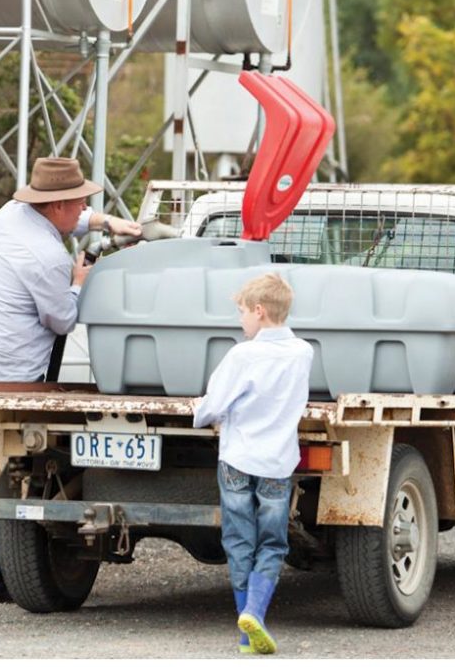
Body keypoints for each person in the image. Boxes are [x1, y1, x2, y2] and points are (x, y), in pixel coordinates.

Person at [0, 157, 142, 603]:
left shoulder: (10, 217)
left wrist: (108, 222)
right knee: (13, 468)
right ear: (56, 206)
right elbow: (61, 319)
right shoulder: (47, 258)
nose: (82, 212)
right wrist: (78, 282)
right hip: (11, 374)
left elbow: (73, 223)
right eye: (79, 204)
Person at [193, 273, 313, 654]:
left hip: (237, 460)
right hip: (277, 462)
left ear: (259, 311)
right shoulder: (303, 352)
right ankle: (256, 614)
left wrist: (200, 414)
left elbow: (215, 402)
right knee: (273, 542)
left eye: (242, 312)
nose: (241, 320)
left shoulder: (243, 354)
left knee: (239, 540)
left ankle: (247, 630)